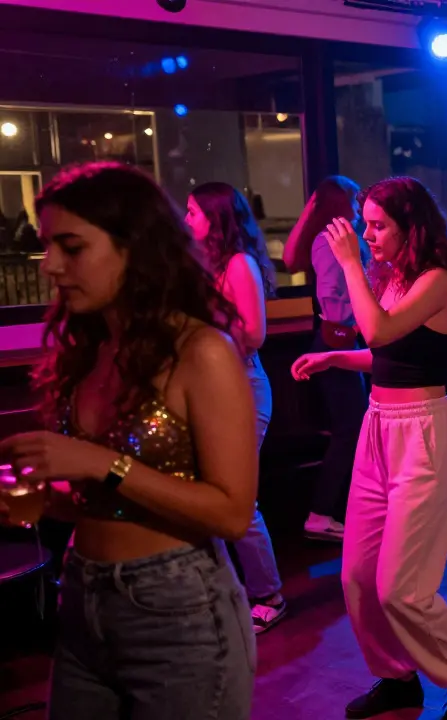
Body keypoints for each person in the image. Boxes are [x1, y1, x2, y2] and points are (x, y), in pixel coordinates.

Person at [0, 162, 256, 718]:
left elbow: (233, 513)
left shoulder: (201, 351)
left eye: (71, 247)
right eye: (48, 246)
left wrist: (99, 461)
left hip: (177, 609)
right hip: (81, 596)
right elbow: (103, 502)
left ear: (134, 248)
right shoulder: (88, 349)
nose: (50, 266)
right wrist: (48, 496)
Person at [290, 177, 447, 719]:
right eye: (366, 223)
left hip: (422, 436)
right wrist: (336, 359)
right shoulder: (398, 277)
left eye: (378, 225)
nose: (367, 234)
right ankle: (396, 677)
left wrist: (351, 263)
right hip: (378, 427)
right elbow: (387, 354)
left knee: (400, 588)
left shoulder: (437, 279)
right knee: (356, 576)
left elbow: (378, 332)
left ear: (412, 227)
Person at [185, 182, 288, 635]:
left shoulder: (239, 264)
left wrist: (205, 314)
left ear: (215, 217)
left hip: (243, 386)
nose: (186, 219)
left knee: (236, 497)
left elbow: (256, 334)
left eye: (192, 212)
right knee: (207, 496)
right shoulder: (203, 265)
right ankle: (228, 590)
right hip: (213, 386)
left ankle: (269, 594)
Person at [282, 175, 371, 542]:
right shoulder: (328, 240)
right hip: (337, 340)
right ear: (338, 204)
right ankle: (320, 514)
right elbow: (333, 295)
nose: (357, 207)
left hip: (343, 341)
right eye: (352, 200)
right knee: (350, 429)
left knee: (356, 427)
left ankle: (340, 511)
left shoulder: (344, 238)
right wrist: (365, 312)